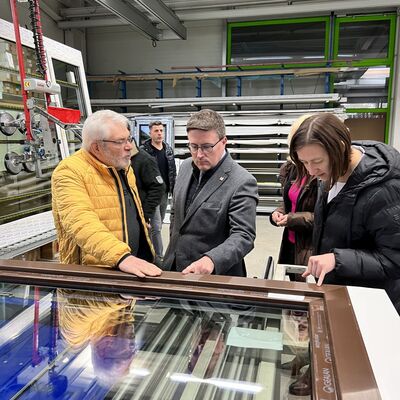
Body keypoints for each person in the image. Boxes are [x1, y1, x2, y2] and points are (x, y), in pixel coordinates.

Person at [289, 112, 400, 313]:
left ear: (339, 148)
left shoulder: (385, 190)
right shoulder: (331, 171)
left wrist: (337, 259)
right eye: (304, 163)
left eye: (316, 161)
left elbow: (394, 259)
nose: (311, 171)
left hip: (371, 304)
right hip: (339, 293)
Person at [51, 109, 162, 278]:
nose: (129, 146)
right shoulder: (69, 172)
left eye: (129, 139)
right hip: (95, 277)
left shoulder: (122, 166)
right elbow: (81, 223)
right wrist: (122, 257)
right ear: (96, 147)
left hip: (129, 270)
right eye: (120, 141)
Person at [163, 109, 258, 277]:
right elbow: (176, 216)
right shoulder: (185, 167)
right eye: (193, 146)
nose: (199, 154)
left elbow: (243, 235)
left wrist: (211, 260)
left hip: (214, 279)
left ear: (224, 142)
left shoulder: (242, 181)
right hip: (175, 269)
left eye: (207, 147)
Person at [57, 289, 137, 387]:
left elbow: (81, 307)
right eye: (133, 355)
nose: (133, 349)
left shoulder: (76, 338)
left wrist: (121, 296)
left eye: (126, 355)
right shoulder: (121, 321)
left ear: (105, 349)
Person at [270, 115, 318, 274]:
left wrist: (292, 219)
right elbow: (292, 200)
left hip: (309, 248)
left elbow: (326, 216)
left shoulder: (320, 172)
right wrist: (279, 212)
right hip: (290, 243)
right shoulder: (292, 169)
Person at [141, 121, 177, 262]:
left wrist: (173, 190)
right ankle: (159, 258)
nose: (159, 133)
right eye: (156, 131)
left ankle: (148, 250)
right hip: (151, 193)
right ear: (150, 133)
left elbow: (172, 172)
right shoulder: (143, 150)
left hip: (164, 192)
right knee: (156, 227)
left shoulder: (168, 149)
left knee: (158, 225)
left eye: (161, 130)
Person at [130, 139, 165, 224]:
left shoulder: (145, 159)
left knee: (156, 228)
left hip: (140, 212)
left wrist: (145, 214)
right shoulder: (112, 158)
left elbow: (158, 187)